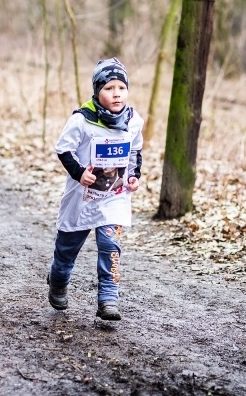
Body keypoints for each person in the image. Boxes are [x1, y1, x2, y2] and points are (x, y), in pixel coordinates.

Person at [48, 58, 143, 321]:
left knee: (110, 243)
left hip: (114, 197)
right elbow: (63, 149)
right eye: (109, 88)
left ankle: (108, 299)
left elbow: (135, 151)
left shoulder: (134, 121)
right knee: (67, 249)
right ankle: (57, 280)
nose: (116, 94)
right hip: (81, 198)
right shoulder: (82, 119)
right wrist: (79, 174)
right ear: (97, 90)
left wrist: (134, 176)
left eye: (121, 88)